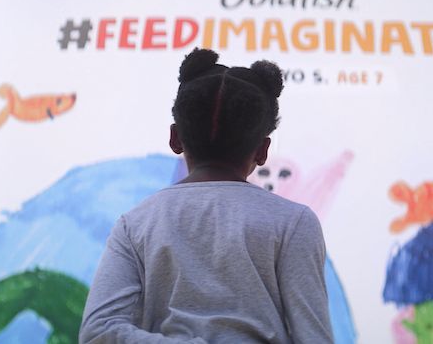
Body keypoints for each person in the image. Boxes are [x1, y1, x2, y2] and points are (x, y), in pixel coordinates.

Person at [79, 49, 333, 343]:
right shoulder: (294, 223)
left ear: (175, 138)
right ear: (264, 150)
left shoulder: (135, 224)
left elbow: (98, 332)